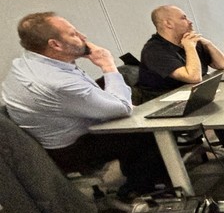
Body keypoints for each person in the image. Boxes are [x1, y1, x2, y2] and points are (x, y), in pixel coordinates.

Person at [2, 12, 170, 198]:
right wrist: (107, 64)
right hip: (71, 150)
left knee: (126, 83)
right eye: (73, 34)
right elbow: (122, 108)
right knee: (147, 131)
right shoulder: (57, 82)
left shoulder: (26, 62)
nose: (83, 37)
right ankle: (141, 188)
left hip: (56, 130)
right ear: (55, 45)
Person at [137, 5, 224, 152]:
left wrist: (208, 44)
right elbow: (193, 77)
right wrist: (190, 48)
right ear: (168, 23)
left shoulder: (188, 41)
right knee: (221, 105)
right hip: (164, 105)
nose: (190, 21)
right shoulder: (155, 50)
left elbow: (222, 64)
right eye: (183, 18)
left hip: (193, 95)